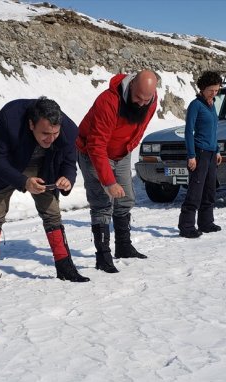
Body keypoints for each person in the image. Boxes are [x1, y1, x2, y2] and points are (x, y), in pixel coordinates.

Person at [0, 97, 89, 291]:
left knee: (52, 212)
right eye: (45, 133)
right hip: (5, 165)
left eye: (55, 133)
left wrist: (67, 178)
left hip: (42, 166)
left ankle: (64, 265)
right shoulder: (10, 118)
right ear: (31, 124)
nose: (51, 138)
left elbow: (70, 162)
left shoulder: (69, 130)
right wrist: (23, 182)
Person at [76, 69, 158, 273]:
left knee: (125, 199)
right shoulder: (108, 101)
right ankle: (102, 256)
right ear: (131, 86)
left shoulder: (151, 100)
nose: (141, 103)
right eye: (138, 97)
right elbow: (96, 145)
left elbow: (141, 127)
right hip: (92, 153)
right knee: (103, 203)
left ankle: (123, 246)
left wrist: (129, 147)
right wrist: (108, 181)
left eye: (146, 100)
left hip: (121, 153)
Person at [178, 71, 223, 238]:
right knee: (195, 190)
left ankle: (206, 222)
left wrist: (217, 149)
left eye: (217, 90)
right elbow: (189, 131)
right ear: (203, 88)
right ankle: (186, 226)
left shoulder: (212, 105)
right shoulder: (195, 105)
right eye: (211, 90)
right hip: (199, 152)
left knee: (210, 189)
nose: (214, 93)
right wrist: (191, 155)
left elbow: (213, 130)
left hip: (211, 153)